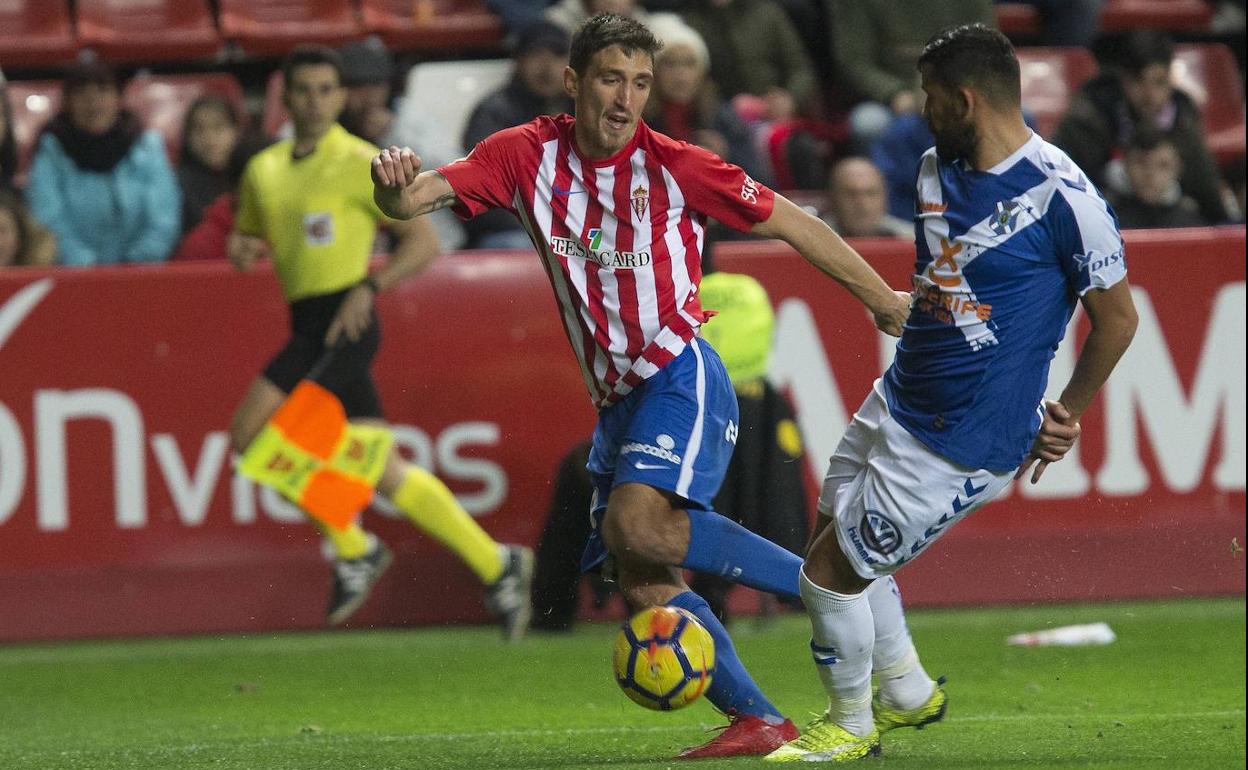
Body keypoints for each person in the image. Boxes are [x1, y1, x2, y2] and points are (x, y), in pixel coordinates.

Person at [371, 13, 910, 758]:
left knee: (634, 527)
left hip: (677, 370)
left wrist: (882, 298)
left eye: (642, 83)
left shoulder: (676, 163)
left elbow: (792, 221)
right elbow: (414, 200)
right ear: (574, 81)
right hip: (617, 399)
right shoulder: (522, 156)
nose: (626, 100)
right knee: (645, 579)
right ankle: (760, 720)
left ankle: (841, 584)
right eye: (611, 79)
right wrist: (393, 188)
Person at [765, 25, 1138, 762]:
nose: (919, 113)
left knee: (827, 575)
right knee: (830, 537)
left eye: (931, 99)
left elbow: (1118, 321)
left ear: (966, 100)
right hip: (900, 397)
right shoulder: (936, 166)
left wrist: (1069, 412)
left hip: (963, 436)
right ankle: (906, 691)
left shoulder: (1064, 197)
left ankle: (849, 725)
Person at [227, 46, 534, 638]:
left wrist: (371, 285)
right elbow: (248, 234)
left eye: (326, 89)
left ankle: (352, 544)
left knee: (252, 433)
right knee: (383, 469)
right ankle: (498, 564)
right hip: (306, 325)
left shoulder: (361, 161)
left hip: (346, 325)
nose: (315, 101)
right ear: (285, 99)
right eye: (303, 90)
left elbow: (424, 244)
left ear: (341, 97)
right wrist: (243, 248)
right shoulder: (263, 170)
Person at [1053, 30, 1230, 225]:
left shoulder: (1183, 116)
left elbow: (1206, 191)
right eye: (1139, 82)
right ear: (1123, 80)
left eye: (1159, 82)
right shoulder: (1088, 117)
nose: (1150, 95)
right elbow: (1062, 193)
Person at [26, 61, 181, 266]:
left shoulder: (148, 146)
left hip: (144, 275)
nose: (93, 102)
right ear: (68, 102)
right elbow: (48, 221)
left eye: (102, 90)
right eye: (81, 93)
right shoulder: (50, 151)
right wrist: (91, 272)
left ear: (118, 98)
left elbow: (164, 219)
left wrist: (136, 264)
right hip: (73, 279)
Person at [461, 21, 574, 249]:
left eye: (557, 55)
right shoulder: (494, 113)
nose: (547, 66)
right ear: (517, 62)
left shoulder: (586, 110)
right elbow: (482, 191)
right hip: (513, 232)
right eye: (536, 55)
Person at [828, 0, 992, 148]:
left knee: (1012, 117)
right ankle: (877, 180)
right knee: (868, 124)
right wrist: (894, 93)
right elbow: (855, 62)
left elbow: (985, 52)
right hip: (889, 97)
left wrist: (952, 92)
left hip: (958, 90)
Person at [641, 15, 769, 186]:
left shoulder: (723, 118)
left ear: (702, 71)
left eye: (689, 64)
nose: (681, 76)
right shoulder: (639, 118)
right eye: (670, 64)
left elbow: (761, 184)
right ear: (653, 71)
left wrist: (725, 157)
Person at [1108, 129, 1207, 230]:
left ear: (1178, 170)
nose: (1150, 174)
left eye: (1163, 165)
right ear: (1125, 165)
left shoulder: (1191, 225)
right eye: (1141, 163)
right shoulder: (1106, 219)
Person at [178, 94, 243, 236]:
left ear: (237, 132)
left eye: (218, 127)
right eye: (199, 130)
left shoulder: (253, 174)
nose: (209, 139)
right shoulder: (177, 185)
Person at [823, 157, 911, 238]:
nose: (862, 204)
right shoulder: (814, 241)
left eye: (871, 193)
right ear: (833, 198)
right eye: (851, 194)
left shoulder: (911, 240)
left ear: (885, 197)